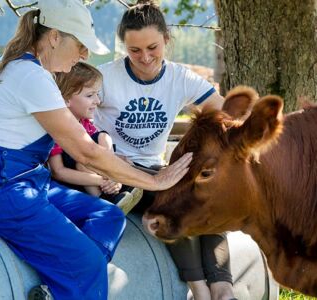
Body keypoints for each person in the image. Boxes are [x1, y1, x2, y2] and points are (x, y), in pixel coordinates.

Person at [0, 1, 192, 299]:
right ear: (54, 36)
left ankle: (57, 286)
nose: (84, 55)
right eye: (80, 45)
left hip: (24, 183)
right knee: (87, 264)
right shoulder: (29, 75)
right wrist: (156, 181)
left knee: (109, 217)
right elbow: (86, 152)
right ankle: (77, 274)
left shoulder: (22, 67)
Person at [92, 2, 234, 300]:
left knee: (207, 193)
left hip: (156, 168)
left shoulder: (180, 78)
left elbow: (225, 115)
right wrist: (104, 151)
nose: (144, 58)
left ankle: (223, 287)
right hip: (118, 173)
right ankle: (198, 290)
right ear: (124, 47)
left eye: (152, 47)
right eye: (134, 50)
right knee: (172, 200)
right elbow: (79, 124)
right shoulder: (104, 78)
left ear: (167, 40)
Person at [47, 62, 143, 212]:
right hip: (71, 180)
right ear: (65, 99)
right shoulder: (56, 129)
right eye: (90, 95)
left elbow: (99, 151)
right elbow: (58, 172)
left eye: (97, 94)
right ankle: (104, 198)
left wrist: (110, 176)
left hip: (94, 174)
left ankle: (113, 181)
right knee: (83, 162)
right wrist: (101, 180)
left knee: (103, 137)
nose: (97, 101)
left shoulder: (85, 123)